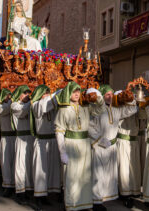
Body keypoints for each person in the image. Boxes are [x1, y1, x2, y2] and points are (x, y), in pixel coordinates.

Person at [54, 82, 105, 211]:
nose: (76, 94)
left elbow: (101, 109)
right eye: (73, 92)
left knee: (85, 176)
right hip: (71, 145)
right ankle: (72, 204)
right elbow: (59, 132)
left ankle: (84, 204)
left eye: (78, 91)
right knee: (72, 177)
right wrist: (62, 152)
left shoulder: (85, 108)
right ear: (68, 94)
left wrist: (97, 97)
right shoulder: (63, 109)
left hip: (85, 144)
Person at [89, 86, 137, 211]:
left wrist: (130, 99)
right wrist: (99, 140)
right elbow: (90, 126)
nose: (110, 97)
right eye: (107, 95)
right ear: (102, 96)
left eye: (111, 94)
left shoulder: (116, 110)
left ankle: (104, 198)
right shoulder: (97, 109)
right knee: (98, 175)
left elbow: (132, 109)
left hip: (112, 146)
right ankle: (96, 202)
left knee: (109, 174)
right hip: (99, 146)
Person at [30, 85, 61, 208]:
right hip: (41, 142)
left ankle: (47, 194)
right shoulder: (36, 105)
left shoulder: (51, 104)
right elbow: (43, 105)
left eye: (49, 93)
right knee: (40, 170)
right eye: (44, 93)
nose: (47, 95)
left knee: (52, 169)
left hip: (53, 141)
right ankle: (38, 196)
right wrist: (55, 94)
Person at [10, 85, 34, 203]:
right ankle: (20, 191)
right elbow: (23, 112)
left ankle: (29, 189)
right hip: (21, 138)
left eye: (28, 93)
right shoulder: (14, 105)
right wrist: (34, 100)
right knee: (20, 165)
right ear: (19, 94)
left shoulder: (30, 104)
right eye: (24, 93)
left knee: (30, 165)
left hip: (31, 137)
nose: (27, 96)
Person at [0, 88, 15, 197]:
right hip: (6, 138)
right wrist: (13, 102)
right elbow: (6, 110)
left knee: (15, 162)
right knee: (6, 162)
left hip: (15, 137)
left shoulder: (12, 105)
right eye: (7, 96)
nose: (9, 97)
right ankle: (7, 185)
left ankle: (15, 184)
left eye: (10, 96)